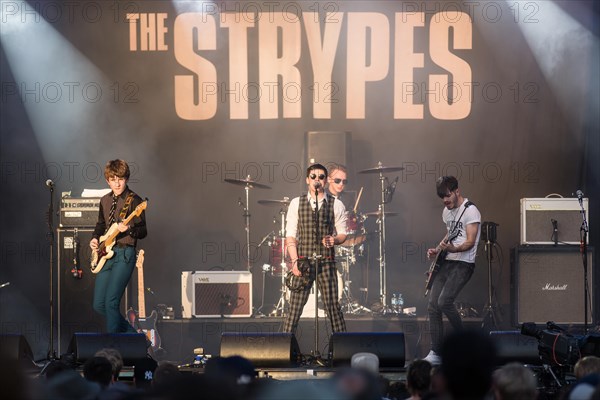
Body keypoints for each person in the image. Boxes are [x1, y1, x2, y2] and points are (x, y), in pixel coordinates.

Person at [283, 163, 348, 334]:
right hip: (303, 262)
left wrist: (334, 240)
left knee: (333, 308)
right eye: (313, 177)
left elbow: (343, 234)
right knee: (294, 310)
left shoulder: (336, 204)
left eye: (320, 177)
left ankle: (343, 352)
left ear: (325, 181)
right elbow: (290, 235)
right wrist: (295, 261)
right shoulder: (296, 203)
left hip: (326, 262)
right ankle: (284, 352)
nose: (316, 180)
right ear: (307, 180)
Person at [424, 176, 481, 365]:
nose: (445, 200)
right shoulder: (446, 212)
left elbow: (470, 242)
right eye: (442, 197)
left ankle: (465, 345)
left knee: (444, 301)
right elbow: (451, 232)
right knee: (433, 304)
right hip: (448, 261)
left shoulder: (471, 211)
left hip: (464, 263)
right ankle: (436, 352)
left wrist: (453, 249)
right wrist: (438, 249)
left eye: (448, 196)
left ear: (457, 191)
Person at [90, 159, 147, 333]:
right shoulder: (104, 200)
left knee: (111, 303)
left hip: (125, 254)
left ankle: (114, 349)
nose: (117, 182)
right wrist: (94, 238)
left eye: (120, 178)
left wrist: (129, 228)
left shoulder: (135, 200)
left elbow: (143, 231)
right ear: (107, 180)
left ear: (126, 179)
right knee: (99, 304)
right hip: (106, 254)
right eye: (113, 179)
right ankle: (134, 338)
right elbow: (101, 225)